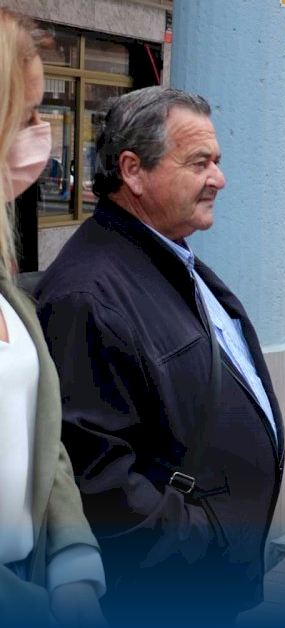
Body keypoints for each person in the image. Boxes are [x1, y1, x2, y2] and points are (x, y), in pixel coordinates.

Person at [35, 87, 284, 626]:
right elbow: (97, 480)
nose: (219, 179)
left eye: (216, 161)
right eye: (199, 163)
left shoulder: (163, 255)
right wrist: (204, 540)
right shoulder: (87, 295)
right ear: (133, 171)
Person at [0, 10, 106, 626]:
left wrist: (74, 566)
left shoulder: (8, 287)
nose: (43, 136)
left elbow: (42, 434)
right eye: (28, 116)